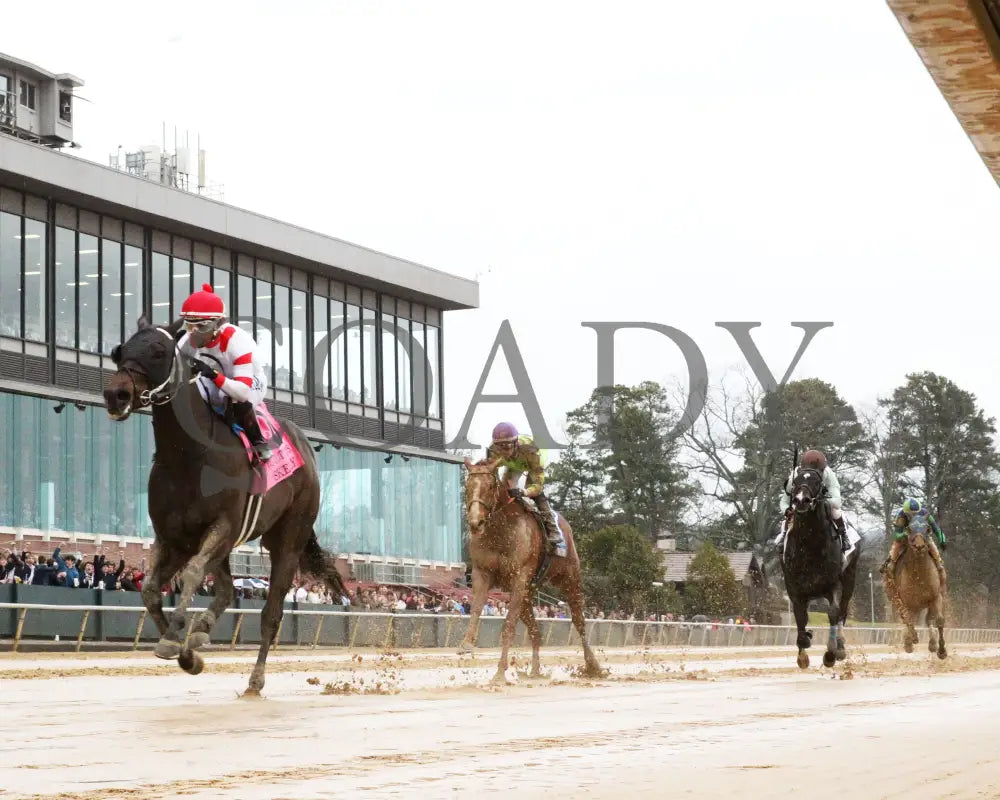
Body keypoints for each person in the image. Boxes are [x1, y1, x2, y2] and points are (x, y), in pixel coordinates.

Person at [177, 283, 273, 461]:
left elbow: (243, 391)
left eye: (201, 327)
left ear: (216, 325)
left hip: (248, 381)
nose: (194, 334)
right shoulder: (186, 341)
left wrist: (214, 375)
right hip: (214, 379)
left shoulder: (236, 341)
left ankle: (258, 442)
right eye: (190, 327)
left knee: (235, 399)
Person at [486, 422, 562, 554]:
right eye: (500, 447)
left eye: (507, 446)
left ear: (515, 443)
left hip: (532, 461)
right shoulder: (493, 450)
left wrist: (523, 492)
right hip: (515, 464)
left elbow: (537, 486)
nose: (504, 451)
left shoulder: (531, 451)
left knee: (534, 492)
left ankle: (553, 529)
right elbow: (490, 473)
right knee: (503, 489)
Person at [773, 449, 850, 552]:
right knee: (789, 517)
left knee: (836, 512)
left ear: (823, 469)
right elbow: (784, 501)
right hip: (801, 503)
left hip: (820, 503)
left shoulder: (829, 475)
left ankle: (844, 536)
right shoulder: (794, 477)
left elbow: (837, 502)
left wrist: (820, 500)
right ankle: (783, 537)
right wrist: (787, 510)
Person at [880, 498, 947, 584]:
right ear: (906, 513)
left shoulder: (925, 513)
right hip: (906, 535)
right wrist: (905, 534)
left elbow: (936, 529)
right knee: (897, 545)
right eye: (911, 514)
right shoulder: (901, 516)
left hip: (922, 535)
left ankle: (938, 563)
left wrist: (942, 539)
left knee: (930, 543)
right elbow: (896, 536)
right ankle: (891, 564)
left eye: (916, 513)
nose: (914, 515)